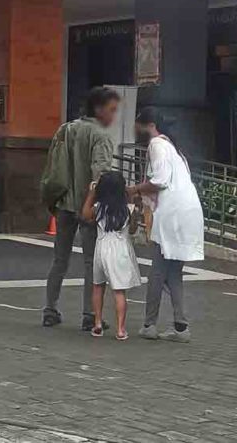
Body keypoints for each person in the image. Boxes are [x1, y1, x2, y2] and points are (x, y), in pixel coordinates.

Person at [40, 86, 120, 330]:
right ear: (99, 109)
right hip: (88, 205)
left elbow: (53, 166)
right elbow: (100, 173)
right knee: (91, 262)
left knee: (59, 260)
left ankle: (50, 309)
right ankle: (89, 314)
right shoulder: (101, 136)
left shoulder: (65, 129)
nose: (113, 115)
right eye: (112, 109)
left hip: (64, 202)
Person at [127, 107, 205, 343]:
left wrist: (134, 189)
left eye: (138, 125)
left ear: (148, 125)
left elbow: (159, 181)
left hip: (171, 213)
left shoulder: (157, 145)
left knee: (158, 272)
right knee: (173, 273)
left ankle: (149, 324)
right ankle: (180, 327)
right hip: (188, 211)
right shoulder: (173, 148)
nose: (136, 130)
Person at [80, 171, 141, 340]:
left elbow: (85, 215)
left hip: (101, 247)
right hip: (120, 249)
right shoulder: (128, 209)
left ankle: (98, 323)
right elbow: (134, 229)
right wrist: (135, 206)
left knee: (98, 286)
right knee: (119, 291)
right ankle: (121, 329)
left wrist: (91, 194)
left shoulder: (99, 208)